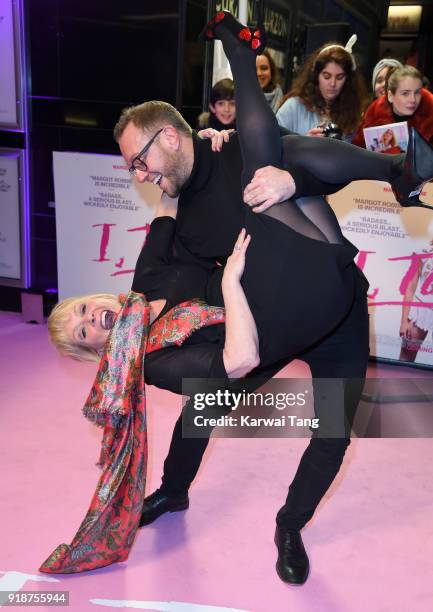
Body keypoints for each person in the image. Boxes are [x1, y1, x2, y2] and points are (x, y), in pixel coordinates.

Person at [49, 10, 433, 584]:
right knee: (204, 406)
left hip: (335, 308)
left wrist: (291, 181)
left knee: (272, 161)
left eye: (140, 162)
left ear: (171, 136)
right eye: (85, 334)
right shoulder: (152, 330)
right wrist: (226, 278)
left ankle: (289, 524)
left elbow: (301, 167)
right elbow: (232, 360)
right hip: (267, 330)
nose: (138, 175)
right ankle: (209, 503)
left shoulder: (217, 169)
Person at [276, 37, 368, 141]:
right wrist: (303, 143)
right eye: (326, 76)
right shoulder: (293, 106)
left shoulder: (351, 113)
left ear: (347, 80)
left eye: (339, 77)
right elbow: (270, 146)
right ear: (316, 76)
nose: (333, 84)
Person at [352, 65, 433, 148]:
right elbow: (357, 150)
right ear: (390, 96)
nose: (413, 100)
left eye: (417, 93)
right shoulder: (373, 116)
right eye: (405, 93)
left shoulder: (429, 117)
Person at [399, 240, 433, 363]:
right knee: (405, 358)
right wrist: (404, 321)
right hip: (421, 311)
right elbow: (410, 288)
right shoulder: (422, 250)